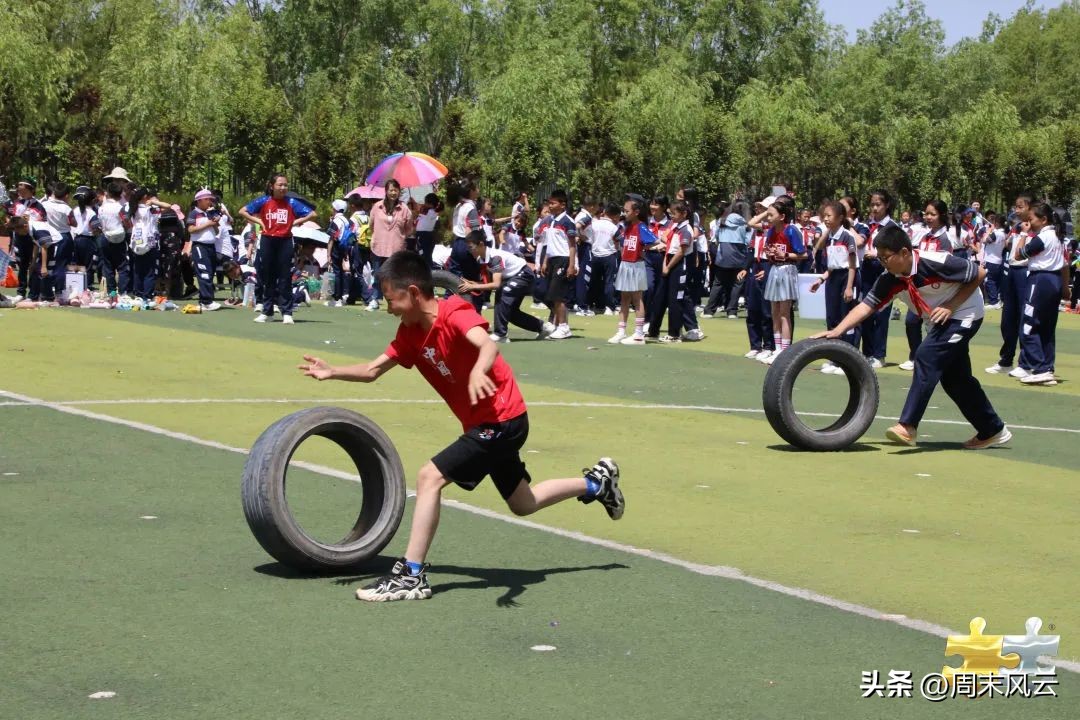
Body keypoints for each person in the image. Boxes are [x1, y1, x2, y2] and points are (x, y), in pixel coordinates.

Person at [297, 251, 624, 601]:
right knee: (523, 502)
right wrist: (333, 372)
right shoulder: (409, 333)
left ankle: (412, 575)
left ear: (413, 292)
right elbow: (374, 370)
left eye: (390, 299)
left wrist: (479, 371)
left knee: (429, 477)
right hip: (486, 423)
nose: (387, 307)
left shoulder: (453, 312)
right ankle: (596, 483)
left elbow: (487, 346)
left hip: (502, 419)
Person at [813, 225, 1010, 450]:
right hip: (938, 321)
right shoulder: (890, 278)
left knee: (925, 356)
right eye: (879, 258)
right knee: (956, 381)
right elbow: (866, 306)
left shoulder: (935, 261)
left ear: (905, 253)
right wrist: (837, 331)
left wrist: (950, 305)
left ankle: (908, 426)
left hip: (965, 313)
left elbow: (979, 273)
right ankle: (992, 429)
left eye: (886, 257)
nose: (882, 263)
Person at [239, 173, 317, 324]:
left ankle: (287, 313)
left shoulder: (292, 202)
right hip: (268, 240)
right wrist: (260, 222)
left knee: (285, 277)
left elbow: (312, 214)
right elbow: (243, 211)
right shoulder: (264, 200)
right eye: (280, 185)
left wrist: (294, 222)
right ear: (271, 186)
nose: (283, 188)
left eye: (285, 185)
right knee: (267, 277)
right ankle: (267, 312)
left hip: (285, 241)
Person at [459, 230, 555, 342]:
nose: (469, 251)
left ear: (481, 244)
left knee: (503, 292)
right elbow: (489, 282)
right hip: (512, 278)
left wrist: (473, 287)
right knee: (511, 313)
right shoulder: (481, 259)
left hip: (524, 275)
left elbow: (496, 284)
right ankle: (543, 327)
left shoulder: (495, 257)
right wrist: (473, 284)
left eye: (471, 247)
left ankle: (501, 334)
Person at [1012, 202, 1067, 386]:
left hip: (1040, 280)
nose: (1029, 221)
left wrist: (1024, 234)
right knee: (1047, 327)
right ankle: (1047, 367)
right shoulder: (1058, 236)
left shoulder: (1042, 238)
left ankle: (1040, 368)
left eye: (1032, 218)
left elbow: (1018, 255)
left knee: (1028, 324)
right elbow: (1065, 264)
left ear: (1043, 219)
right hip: (1055, 280)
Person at [749, 194, 806, 363]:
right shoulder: (772, 230)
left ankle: (785, 351)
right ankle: (777, 348)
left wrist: (785, 254)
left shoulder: (791, 230)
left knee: (784, 313)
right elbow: (753, 224)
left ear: (782, 216)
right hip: (774, 269)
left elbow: (803, 254)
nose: (769, 217)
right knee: (774, 311)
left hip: (787, 269)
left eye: (771, 214)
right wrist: (771, 253)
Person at [900, 200, 953, 371]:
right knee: (911, 321)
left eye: (933, 214)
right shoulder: (924, 236)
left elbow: (945, 265)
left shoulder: (945, 239)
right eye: (926, 213)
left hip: (937, 290)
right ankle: (915, 356)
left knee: (935, 327)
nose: (928, 217)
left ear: (942, 216)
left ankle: (938, 360)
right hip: (919, 288)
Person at [986, 195, 1035, 377]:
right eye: (1015, 206)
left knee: (1025, 319)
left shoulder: (1036, 228)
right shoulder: (1016, 226)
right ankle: (1006, 360)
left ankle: (1026, 363)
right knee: (1008, 320)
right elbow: (1008, 245)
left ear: (1030, 207)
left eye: (1020, 207)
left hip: (1026, 272)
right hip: (1011, 271)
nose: (1016, 210)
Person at [809, 200, 858, 374]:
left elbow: (851, 265)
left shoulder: (847, 237)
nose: (826, 219)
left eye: (829, 216)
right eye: (825, 216)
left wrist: (849, 287)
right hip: (833, 279)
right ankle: (835, 358)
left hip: (846, 278)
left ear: (840, 217)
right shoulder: (830, 238)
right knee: (832, 318)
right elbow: (832, 266)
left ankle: (849, 361)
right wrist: (821, 280)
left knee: (847, 320)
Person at [609, 196, 657, 345]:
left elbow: (654, 240)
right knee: (624, 299)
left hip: (636, 265)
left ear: (636, 212)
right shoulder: (626, 226)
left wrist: (643, 249)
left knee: (637, 299)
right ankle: (621, 331)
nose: (624, 213)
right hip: (625, 264)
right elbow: (619, 240)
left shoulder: (641, 226)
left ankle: (638, 334)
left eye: (626, 210)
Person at [646, 199, 694, 343]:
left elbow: (681, 252)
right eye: (671, 213)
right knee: (659, 298)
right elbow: (666, 243)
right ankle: (653, 331)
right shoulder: (675, 227)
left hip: (678, 265)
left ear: (684, 214)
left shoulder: (686, 229)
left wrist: (668, 266)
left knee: (675, 300)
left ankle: (674, 334)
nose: (671, 216)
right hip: (668, 261)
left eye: (674, 213)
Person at [536, 189, 577, 339]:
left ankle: (564, 327)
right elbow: (549, 244)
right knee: (550, 295)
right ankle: (556, 324)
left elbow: (572, 246)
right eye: (549, 203)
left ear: (562, 205)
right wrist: (545, 261)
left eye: (553, 203)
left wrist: (572, 265)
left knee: (558, 295)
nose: (550, 206)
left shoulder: (568, 222)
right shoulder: (551, 221)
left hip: (563, 259)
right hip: (552, 259)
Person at [369, 179, 414, 308]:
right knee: (377, 274)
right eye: (391, 190)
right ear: (386, 191)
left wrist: (401, 236)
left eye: (396, 190)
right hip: (379, 245)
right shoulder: (377, 207)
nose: (393, 193)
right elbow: (371, 225)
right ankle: (375, 299)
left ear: (399, 191)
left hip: (396, 247)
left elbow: (409, 228)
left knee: (395, 276)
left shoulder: (404, 209)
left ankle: (394, 300)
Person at [703, 200, 751, 319]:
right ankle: (732, 311)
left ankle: (709, 310)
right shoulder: (747, 223)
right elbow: (748, 241)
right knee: (737, 283)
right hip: (739, 253)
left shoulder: (722, 220)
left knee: (718, 283)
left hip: (724, 253)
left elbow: (717, 236)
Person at [186, 189, 224, 311]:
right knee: (204, 273)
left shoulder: (209, 213)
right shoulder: (194, 213)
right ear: (199, 200)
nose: (210, 202)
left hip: (211, 246)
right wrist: (207, 224)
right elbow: (191, 229)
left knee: (210, 272)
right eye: (207, 199)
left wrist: (215, 223)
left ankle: (205, 300)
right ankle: (207, 301)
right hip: (199, 246)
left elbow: (217, 231)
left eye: (211, 199)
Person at [587, 202, 620, 315]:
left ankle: (591, 305)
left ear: (604, 212)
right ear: (615, 216)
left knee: (594, 281)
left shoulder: (594, 224)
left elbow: (589, 238)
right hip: (609, 256)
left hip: (595, 255)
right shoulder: (614, 228)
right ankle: (609, 307)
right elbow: (618, 243)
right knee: (609, 282)